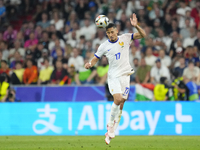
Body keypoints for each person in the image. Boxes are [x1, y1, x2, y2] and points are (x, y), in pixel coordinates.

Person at [84, 13, 146, 144]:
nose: (111, 34)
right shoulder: (104, 46)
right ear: (106, 34)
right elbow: (96, 58)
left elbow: (143, 35)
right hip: (113, 77)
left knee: (122, 103)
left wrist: (136, 26)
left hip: (125, 76)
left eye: (112, 32)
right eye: (108, 33)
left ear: (117, 31)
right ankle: (109, 125)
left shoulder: (126, 38)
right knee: (117, 99)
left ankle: (111, 132)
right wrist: (90, 63)